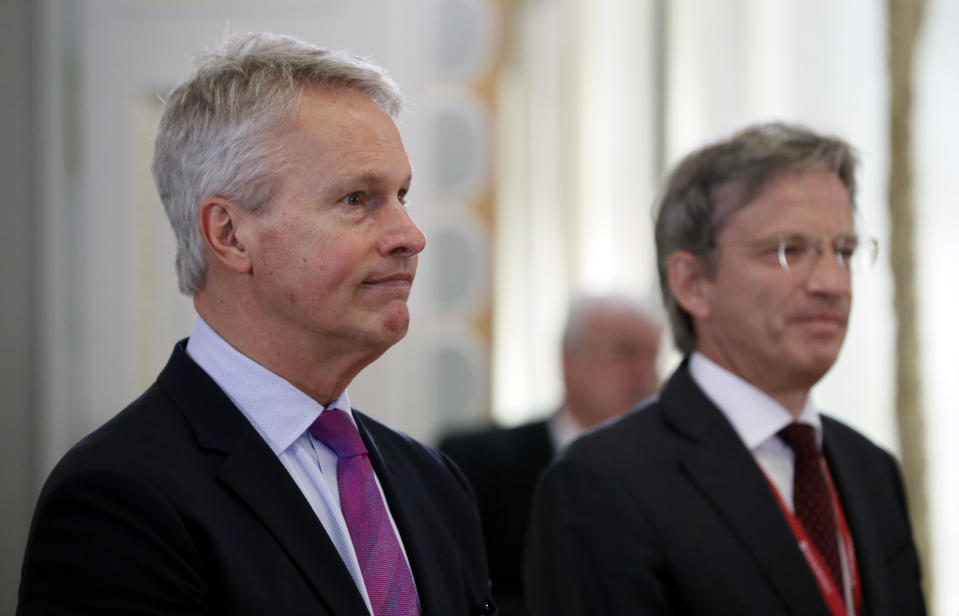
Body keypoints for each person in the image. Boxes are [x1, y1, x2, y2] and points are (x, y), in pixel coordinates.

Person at [18, 32, 495, 615]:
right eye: (356, 199)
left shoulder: (433, 483)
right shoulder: (119, 499)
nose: (409, 236)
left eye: (402, 195)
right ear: (230, 235)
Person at [524, 122, 926, 615]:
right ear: (692, 283)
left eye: (842, 251)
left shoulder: (871, 469)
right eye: (788, 251)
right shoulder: (602, 483)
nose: (831, 283)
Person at [440, 294, 662, 614]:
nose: (644, 375)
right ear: (568, 361)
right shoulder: (478, 463)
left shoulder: (674, 472)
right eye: (624, 353)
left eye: (652, 357)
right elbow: (453, 588)